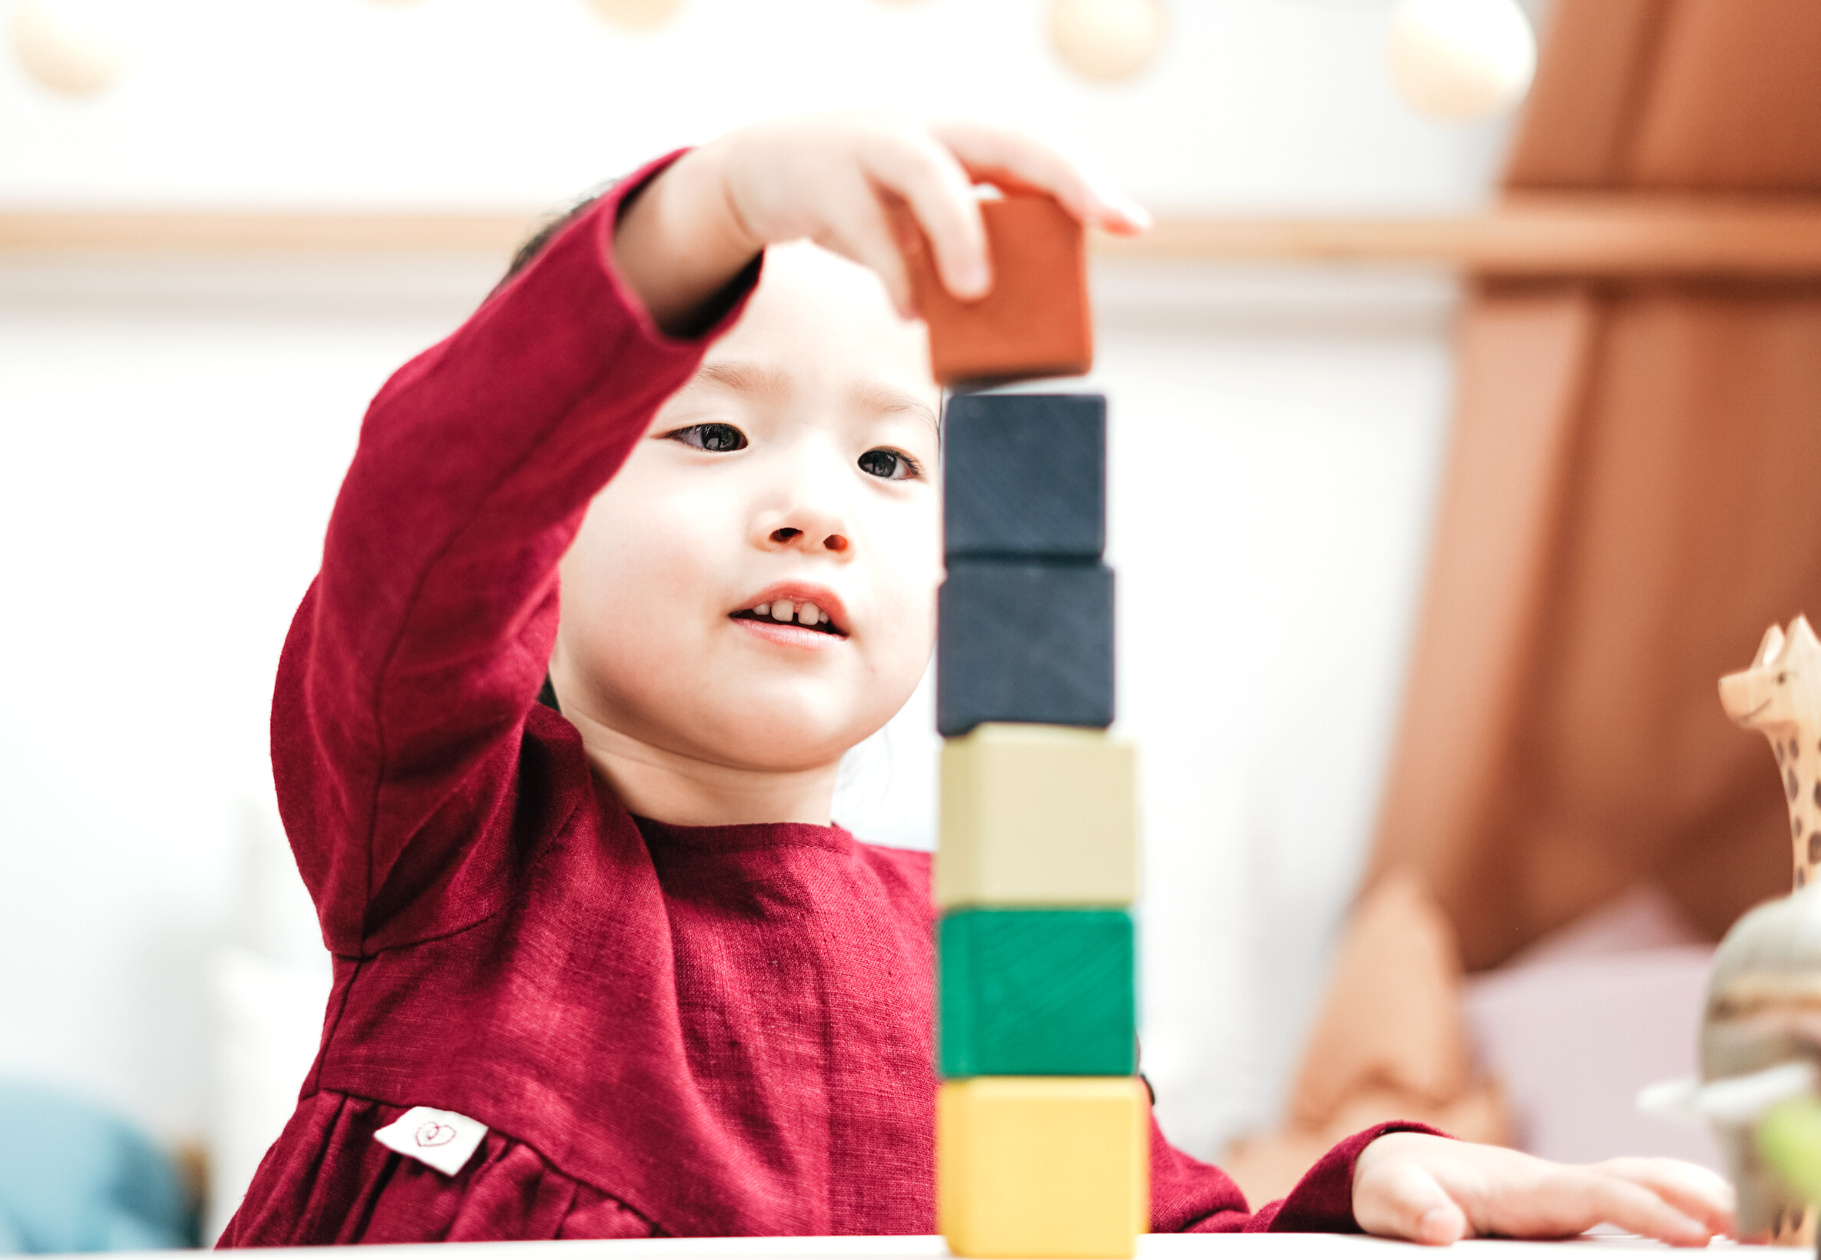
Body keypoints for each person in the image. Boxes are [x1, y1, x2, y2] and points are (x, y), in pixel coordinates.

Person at [217, 114, 1734, 1247]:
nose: (814, 507)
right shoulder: (445, 854)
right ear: (544, 527)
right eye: (712, 433)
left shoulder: (994, 948)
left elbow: (1146, 1232)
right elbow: (428, 512)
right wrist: (716, 208)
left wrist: (1350, 1203)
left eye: (888, 459)